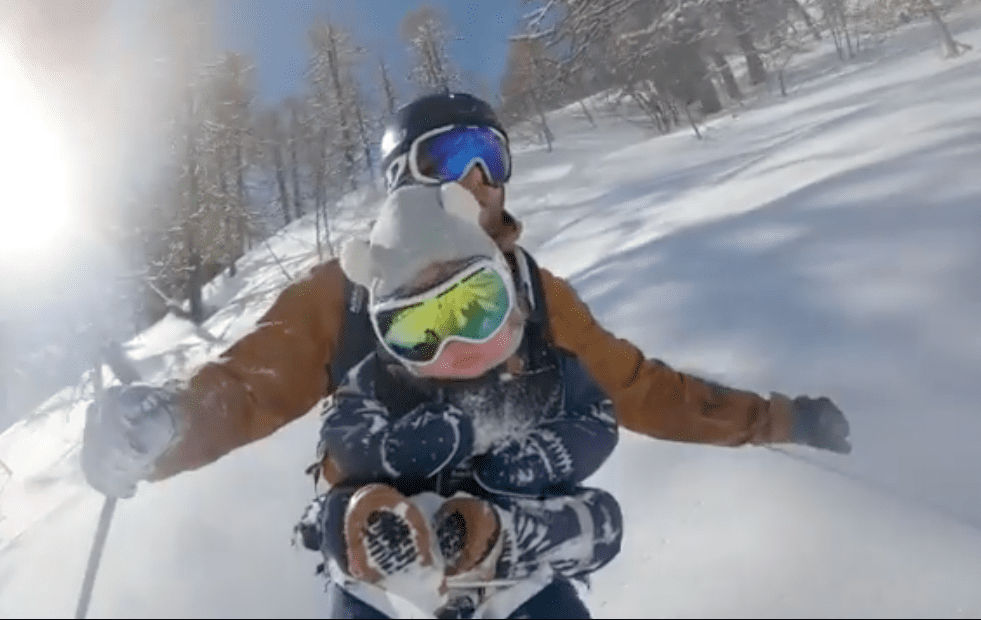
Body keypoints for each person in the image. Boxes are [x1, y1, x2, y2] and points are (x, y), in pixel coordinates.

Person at [80, 91, 851, 611]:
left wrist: (774, 419)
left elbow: (638, 387)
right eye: (451, 158)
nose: (478, 181)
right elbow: (251, 385)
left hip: (510, 546)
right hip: (378, 555)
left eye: (491, 157)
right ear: (402, 180)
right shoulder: (346, 291)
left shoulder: (534, 291)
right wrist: (166, 427)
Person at [295, 182, 624, 618]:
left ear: (507, 293)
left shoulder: (543, 372)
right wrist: (397, 453)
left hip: (514, 577)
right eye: (419, 331)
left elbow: (596, 419)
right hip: (396, 581)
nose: (454, 345)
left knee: (595, 527)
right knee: (346, 537)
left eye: (474, 309)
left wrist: (541, 457)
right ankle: (376, 534)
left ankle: (501, 537)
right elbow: (345, 434)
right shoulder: (382, 382)